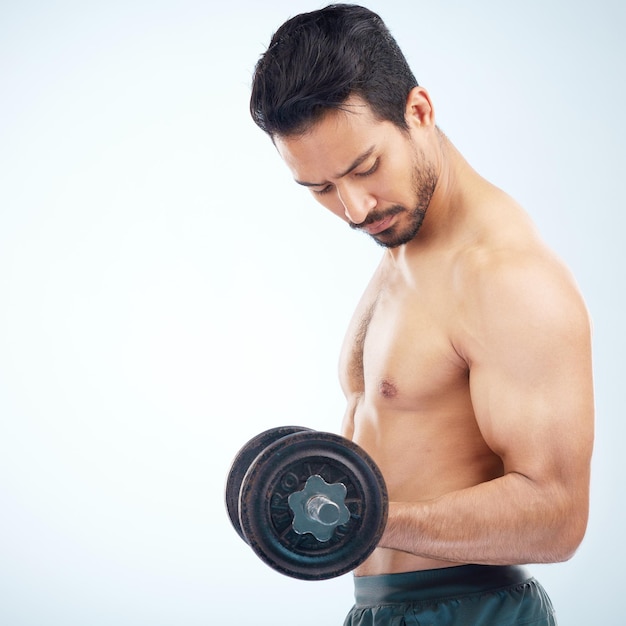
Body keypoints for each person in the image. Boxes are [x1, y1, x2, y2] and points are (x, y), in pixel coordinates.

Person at [249, 4, 594, 625]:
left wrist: (368, 519)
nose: (354, 207)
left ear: (419, 111)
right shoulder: (402, 242)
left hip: (471, 611)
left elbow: (558, 518)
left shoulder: (504, 275)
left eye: (364, 168)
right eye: (321, 189)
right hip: (382, 610)